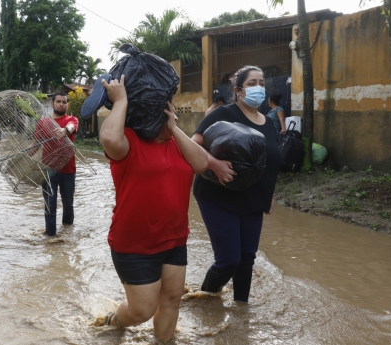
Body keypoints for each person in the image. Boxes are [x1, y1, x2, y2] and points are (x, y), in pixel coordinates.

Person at [98, 75, 207, 342]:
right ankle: (114, 320)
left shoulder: (177, 143)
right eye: (161, 107)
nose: (168, 110)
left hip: (173, 239)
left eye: (169, 106)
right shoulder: (128, 142)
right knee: (142, 310)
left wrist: (175, 130)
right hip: (133, 244)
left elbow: (202, 164)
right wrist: (121, 99)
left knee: (171, 300)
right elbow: (109, 138)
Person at [191, 66, 283, 303]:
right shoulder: (224, 114)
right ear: (238, 90)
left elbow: (267, 162)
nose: (258, 88)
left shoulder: (269, 123)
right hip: (218, 196)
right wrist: (214, 164)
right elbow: (193, 146)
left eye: (262, 82)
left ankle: (242, 312)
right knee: (228, 260)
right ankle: (204, 303)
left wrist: (269, 192)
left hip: (253, 199)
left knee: (246, 258)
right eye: (252, 83)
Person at [32, 91, 79, 236]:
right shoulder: (43, 122)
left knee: (68, 204)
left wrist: (65, 131)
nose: (61, 104)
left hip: (68, 170)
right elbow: (35, 147)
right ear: (52, 104)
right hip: (48, 169)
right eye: (58, 101)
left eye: (64, 102)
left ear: (67, 105)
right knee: (49, 205)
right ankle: (51, 238)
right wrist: (21, 156)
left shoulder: (72, 119)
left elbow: (71, 127)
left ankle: (67, 233)